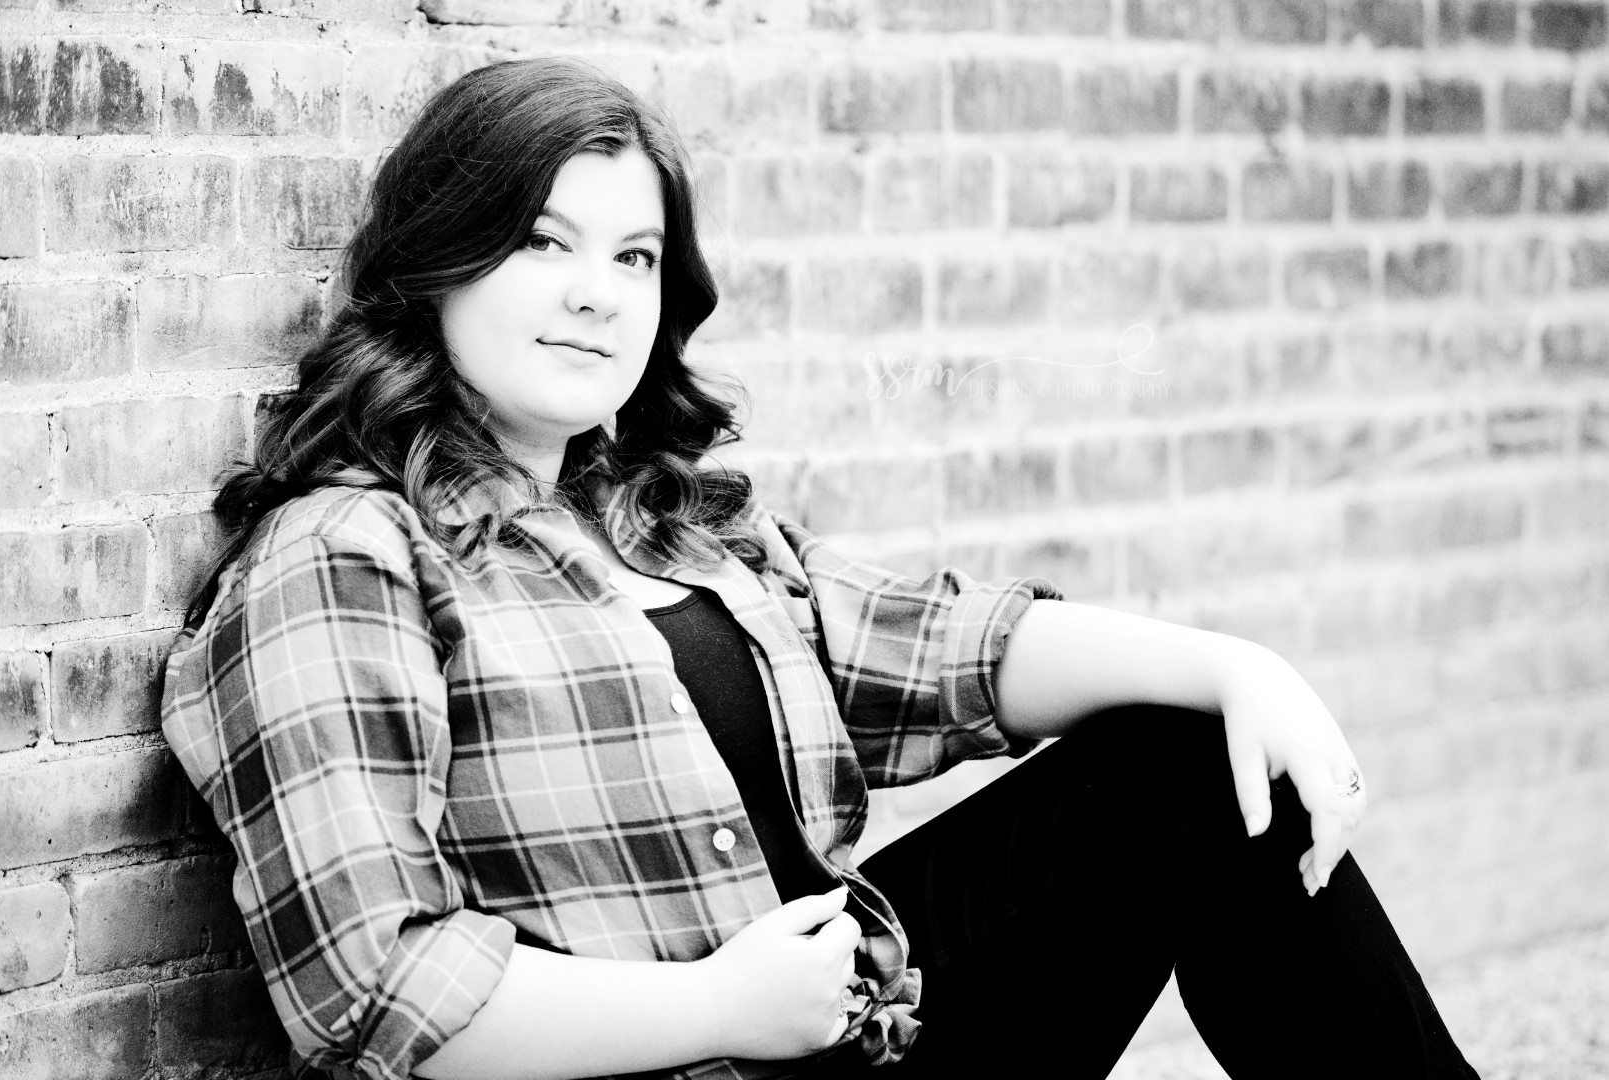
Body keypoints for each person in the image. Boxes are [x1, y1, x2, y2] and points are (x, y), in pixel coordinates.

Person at [159, 56, 1479, 1080]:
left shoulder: (666, 528)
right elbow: (374, 988)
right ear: (437, 264)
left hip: (853, 1039)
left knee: (1195, 764)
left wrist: (1239, 668)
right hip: (672, 1062)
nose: (597, 292)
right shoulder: (344, 556)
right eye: (544, 243)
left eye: (633, 257)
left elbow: (943, 647)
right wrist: (713, 1008)